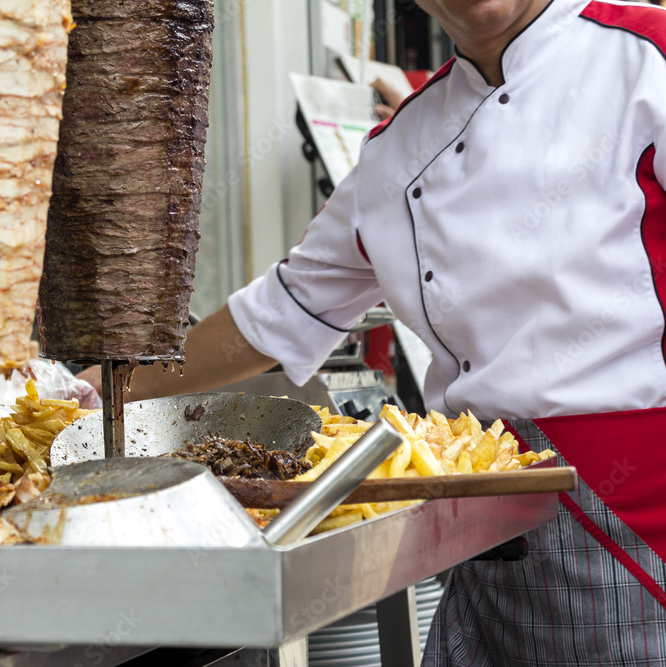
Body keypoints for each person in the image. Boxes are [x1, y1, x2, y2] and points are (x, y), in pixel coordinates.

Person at [79, 0, 666, 662]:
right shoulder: (399, 150)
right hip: (485, 534)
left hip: (639, 534)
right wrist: (105, 388)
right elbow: (281, 310)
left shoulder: (648, 62)